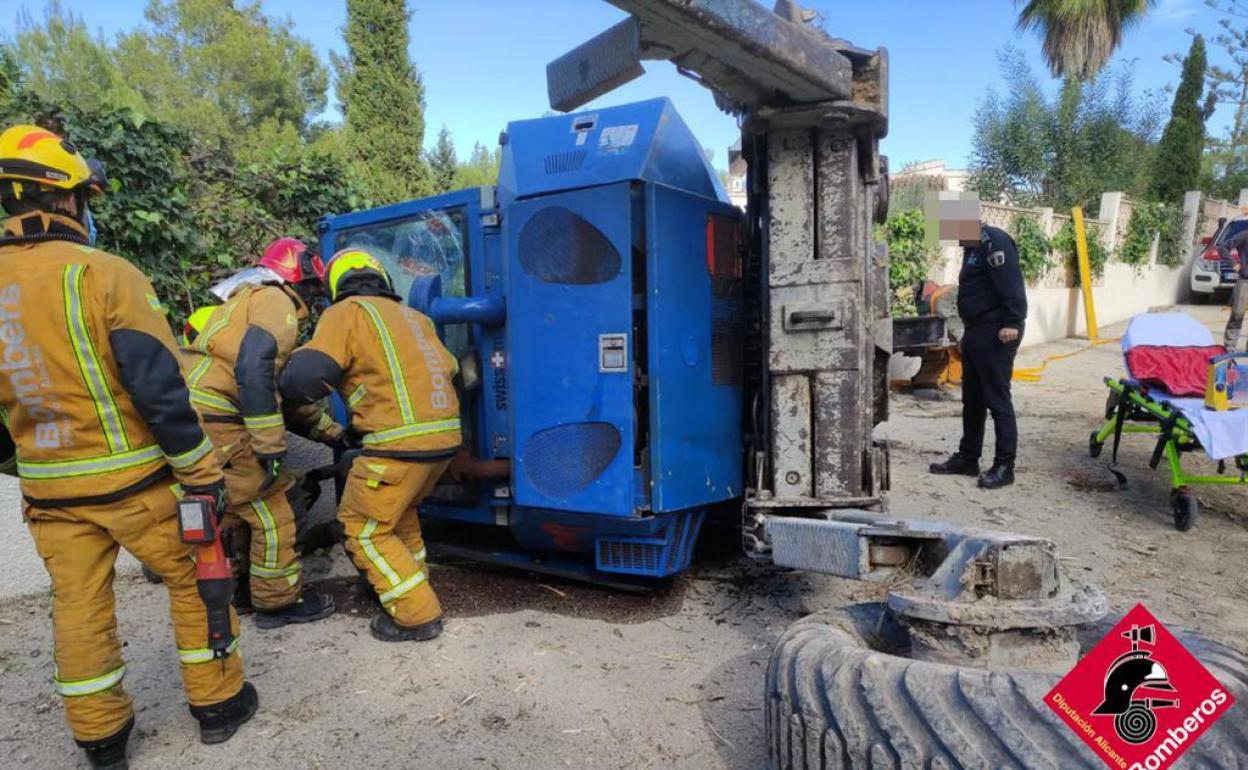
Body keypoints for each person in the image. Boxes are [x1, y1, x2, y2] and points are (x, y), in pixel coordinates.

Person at [0, 124, 255, 768]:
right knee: (195, 580)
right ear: (62, 200)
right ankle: (218, 706)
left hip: (51, 494)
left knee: (78, 608)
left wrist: (26, 465)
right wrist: (202, 471)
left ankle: (101, 739)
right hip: (139, 487)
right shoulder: (104, 273)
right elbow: (159, 389)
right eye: (85, 197)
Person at [279, 249, 461, 642]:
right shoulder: (417, 319)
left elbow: (302, 381)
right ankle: (412, 582)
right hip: (443, 441)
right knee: (399, 518)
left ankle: (416, 615)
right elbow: (455, 371)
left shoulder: (347, 312)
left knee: (361, 528)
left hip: (395, 445)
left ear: (335, 286)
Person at [182, 237, 340, 628]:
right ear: (296, 276)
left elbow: (276, 392)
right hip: (222, 422)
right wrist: (269, 445)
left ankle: (242, 591)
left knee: (235, 509)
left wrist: (330, 432)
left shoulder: (240, 303)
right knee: (271, 511)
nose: (312, 301)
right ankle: (277, 602)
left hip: (199, 419)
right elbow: (255, 371)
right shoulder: (275, 301)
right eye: (312, 288)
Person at [929, 200, 1027, 489]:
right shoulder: (972, 248)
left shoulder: (993, 241)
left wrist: (1012, 321)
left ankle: (1004, 467)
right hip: (976, 331)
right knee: (972, 399)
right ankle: (968, 458)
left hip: (997, 331)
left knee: (997, 400)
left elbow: (1011, 284)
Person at [1219, 227, 1248, 351]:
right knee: (1237, 314)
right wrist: (1234, 264)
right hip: (1245, 281)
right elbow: (1223, 247)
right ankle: (1229, 349)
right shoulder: (1245, 235)